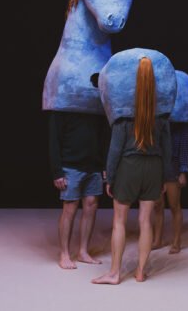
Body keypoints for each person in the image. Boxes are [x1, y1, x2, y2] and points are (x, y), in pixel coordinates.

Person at [92, 57, 173, 285]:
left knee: (119, 221)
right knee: (146, 221)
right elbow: (167, 151)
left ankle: (114, 273)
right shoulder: (162, 118)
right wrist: (166, 177)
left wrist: (110, 177)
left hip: (129, 167)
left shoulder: (124, 116)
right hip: (154, 167)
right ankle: (140, 271)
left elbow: (114, 150)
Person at [48, 111, 107, 269]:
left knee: (91, 205)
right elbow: (54, 141)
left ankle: (83, 252)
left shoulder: (95, 107)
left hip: (94, 166)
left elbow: (103, 137)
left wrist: (104, 165)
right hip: (70, 165)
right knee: (70, 207)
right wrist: (57, 171)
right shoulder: (62, 108)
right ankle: (64, 254)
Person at [152, 121, 188, 253]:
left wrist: (183, 171)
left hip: (172, 165)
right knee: (157, 205)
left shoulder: (180, 123)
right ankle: (157, 240)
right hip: (157, 164)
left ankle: (176, 241)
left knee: (174, 205)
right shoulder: (157, 121)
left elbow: (185, 147)